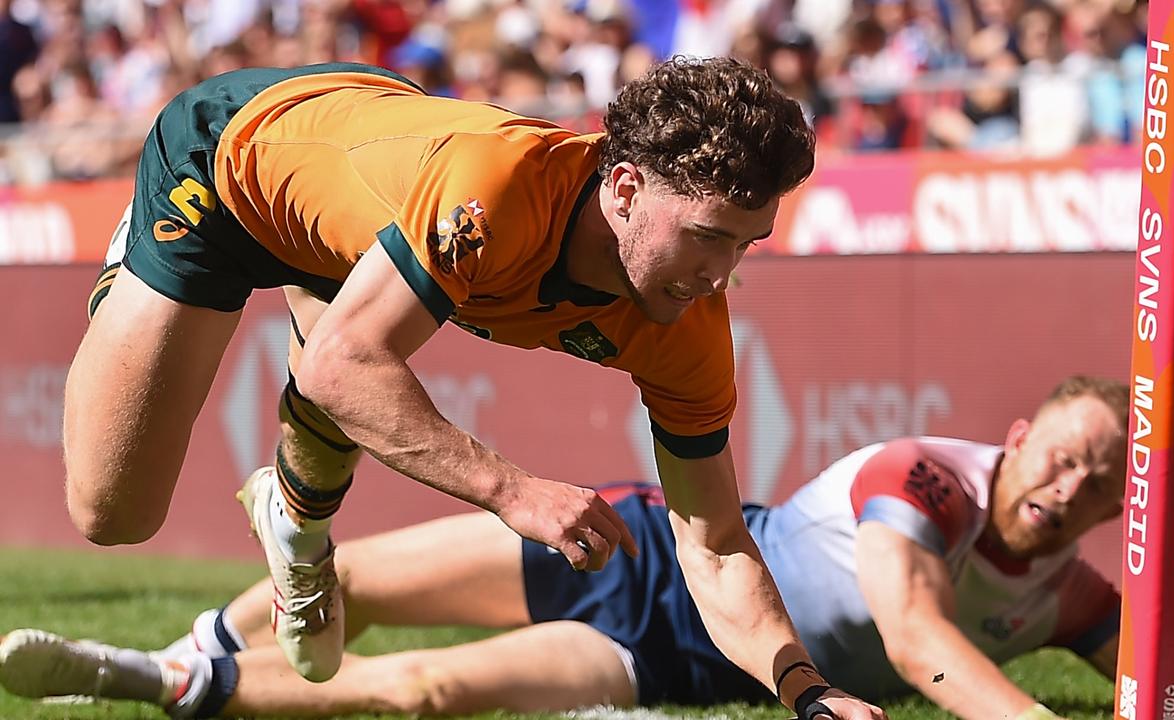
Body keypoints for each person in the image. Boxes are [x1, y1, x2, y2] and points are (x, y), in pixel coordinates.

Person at [61, 55, 880, 719]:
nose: (719, 274)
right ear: (625, 189)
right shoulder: (496, 195)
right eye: (707, 237)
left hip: (353, 204)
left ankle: (296, 517)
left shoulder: (688, 324)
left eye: (746, 245)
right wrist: (513, 493)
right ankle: (131, 274)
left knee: (357, 361)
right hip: (231, 160)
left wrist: (807, 690)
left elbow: (715, 543)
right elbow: (339, 369)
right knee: (113, 513)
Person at [12, 377, 1174, 719]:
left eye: (1101, 478)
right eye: (1059, 453)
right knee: (342, 587)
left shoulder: (1064, 600)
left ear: (1122, 503)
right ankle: (183, 648)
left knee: (431, 689)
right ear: (1015, 438)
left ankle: (161, 680)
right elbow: (910, 634)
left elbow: (1173, 678)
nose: (1068, 484)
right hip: (642, 557)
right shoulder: (924, 482)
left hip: (694, 665)